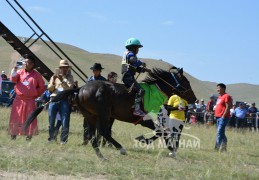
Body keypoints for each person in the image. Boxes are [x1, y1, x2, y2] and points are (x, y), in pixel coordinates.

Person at [8, 56, 45, 140]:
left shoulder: (37, 75)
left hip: (30, 100)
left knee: (30, 117)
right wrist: (15, 69)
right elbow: (13, 80)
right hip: (19, 100)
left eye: (27, 62)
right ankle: (13, 136)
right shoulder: (19, 72)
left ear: (32, 64)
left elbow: (42, 87)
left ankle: (29, 137)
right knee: (16, 117)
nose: (25, 64)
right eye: (25, 62)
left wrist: (35, 94)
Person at [121, 37, 151, 116]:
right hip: (128, 77)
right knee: (141, 90)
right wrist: (141, 62)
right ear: (133, 48)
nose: (138, 49)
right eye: (137, 48)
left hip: (128, 76)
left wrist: (145, 70)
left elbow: (135, 68)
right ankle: (137, 110)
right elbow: (133, 61)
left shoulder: (127, 54)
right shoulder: (130, 54)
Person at [47, 59, 75, 144]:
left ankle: (63, 140)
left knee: (65, 121)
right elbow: (49, 89)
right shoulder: (54, 76)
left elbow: (69, 89)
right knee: (51, 121)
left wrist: (61, 80)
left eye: (66, 67)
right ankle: (51, 138)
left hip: (64, 100)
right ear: (60, 68)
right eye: (62, 67)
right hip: (54, 99)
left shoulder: (70, 77)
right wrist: (53, 82)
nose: (64, 69)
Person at [83, 63, 107, 145]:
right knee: (86, 123)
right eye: (93, 70)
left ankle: (98, 141)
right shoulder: (89, 79)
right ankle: (85, 140)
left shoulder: (104, 81)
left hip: (98, 106)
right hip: (89, 105)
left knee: (98, 125)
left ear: (100, 71)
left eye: (96, 70)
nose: (94, 71)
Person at [214, 83, 232, 152]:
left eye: (219, 88)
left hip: (223, 117)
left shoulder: (226, 96)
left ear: (223, 88)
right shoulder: (219, 97)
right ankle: (224, 148)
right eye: (217, 88)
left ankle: (217, 148)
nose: (217, 89)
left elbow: (228, 106)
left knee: (219, 133)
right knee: (221, 133)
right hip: (218, 117)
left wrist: (223, 116)